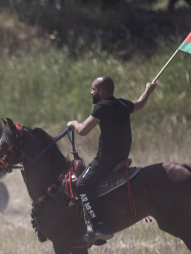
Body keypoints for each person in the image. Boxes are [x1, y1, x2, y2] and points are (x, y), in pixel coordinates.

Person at [67, 77, 156, 243]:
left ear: (101, 91)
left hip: (107, 159)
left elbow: (83, 130)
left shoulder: (102, 106)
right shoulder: (122, 104)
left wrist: (73, 123)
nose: (91, 92)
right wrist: (148, 90)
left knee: (82, 184)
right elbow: (140, 103)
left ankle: (100, 226)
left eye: (93, 89)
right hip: (121, 156)